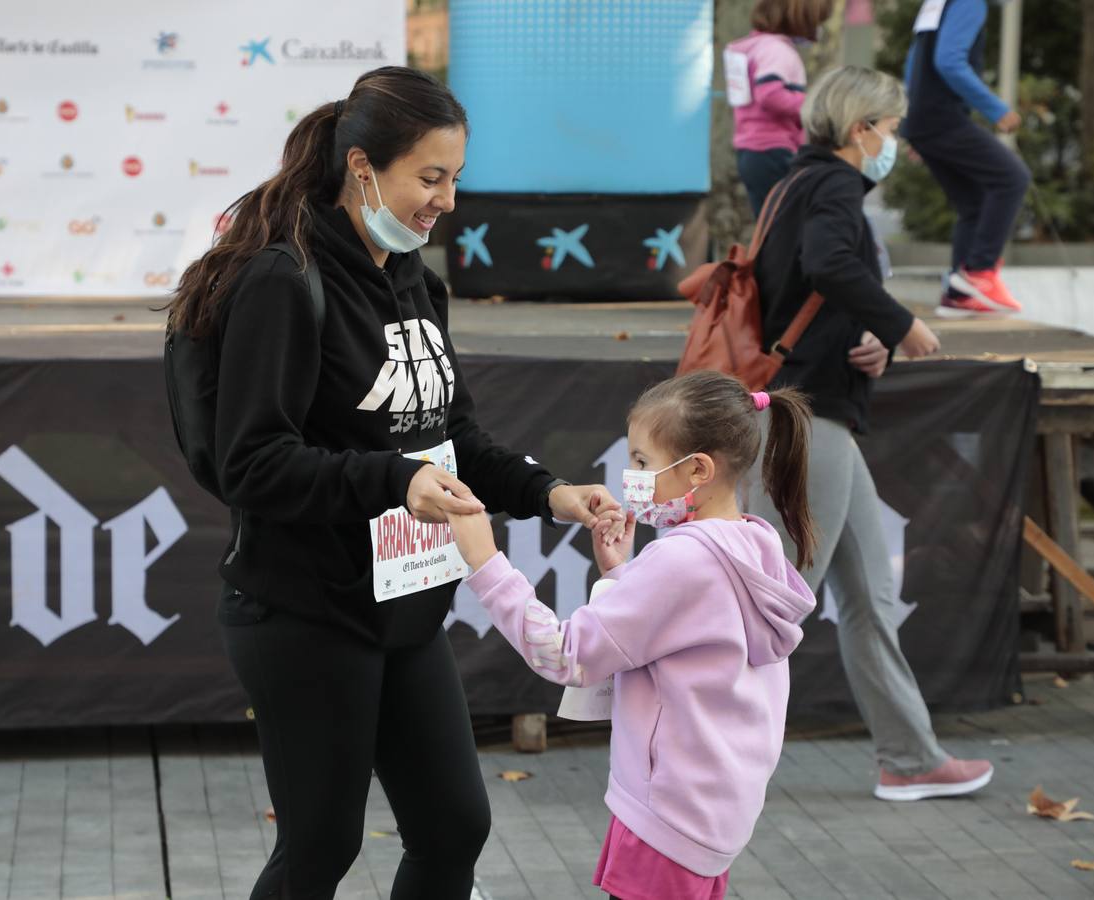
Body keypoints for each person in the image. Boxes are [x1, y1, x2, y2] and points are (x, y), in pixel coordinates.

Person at [165, 66, 620, 900]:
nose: (445, 199)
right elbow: (252, 462)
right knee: (320, 847)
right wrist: (394, 480)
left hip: (404, 607)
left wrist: (552, 493)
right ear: (364, 167)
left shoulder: (416, 278)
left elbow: (452, 437)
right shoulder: (282, 279)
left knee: (454, 828)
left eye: (455, 179)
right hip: (303, 608)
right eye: (431, 177)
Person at [447, 371, 819, 900]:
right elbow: (675, 636)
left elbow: (565, 656)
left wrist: (485, 561)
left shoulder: (681, 558)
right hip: (713, 812)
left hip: (664, 816)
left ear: (697, 470)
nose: (631, 476)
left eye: (643, 461)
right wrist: (620, 575)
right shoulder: (752, 548)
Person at [748, 64, 994, 801]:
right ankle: (691, 749)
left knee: (866, 598)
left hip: (816, 411)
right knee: (774, 606)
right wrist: (900, 322)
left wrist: (868, 334)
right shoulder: (833, 185)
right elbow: (828, 264)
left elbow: (809, 288)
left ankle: (909, 759)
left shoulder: (798, 183)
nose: (898, 145)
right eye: (891, 129)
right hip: (807, 415)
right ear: (862, 130)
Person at [903, 0, 1031, 317]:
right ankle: (979, 273)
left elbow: (913, 62)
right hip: (942, 117)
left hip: (924, 119)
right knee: (1011, 178)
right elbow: (948, 61)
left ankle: (959, 295)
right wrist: (996, 109)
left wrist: (913, 119)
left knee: (971, 203)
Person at [727, 0, 835, 216]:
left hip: (750, 150)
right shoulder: (778, 51)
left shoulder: (754, 47)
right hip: (774, 150)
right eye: (816, 21)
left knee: (768, 225)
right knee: (786, 225)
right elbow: (769, 94)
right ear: (800, 19)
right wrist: (811, 106)